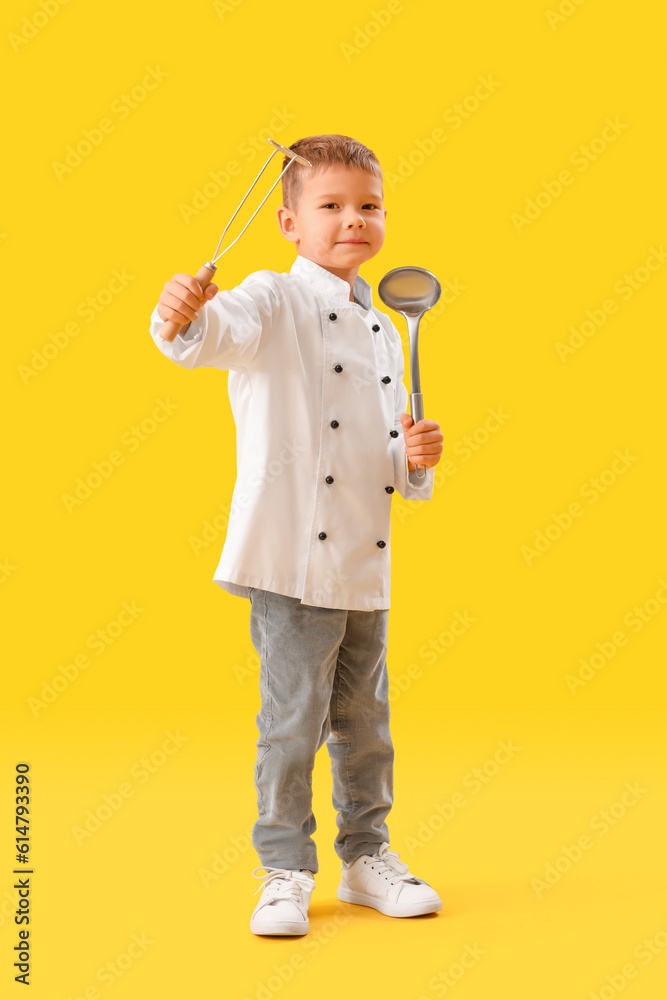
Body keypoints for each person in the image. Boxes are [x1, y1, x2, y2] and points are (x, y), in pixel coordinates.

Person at [149, 133, 444, 936]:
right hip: (289, 561)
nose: (354, 219)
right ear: (287, 223)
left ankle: (364, 859)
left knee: (364, 723)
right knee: (291, 722)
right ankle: (283, 868)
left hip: (363, 564)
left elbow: (372, 456)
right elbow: (205, 337)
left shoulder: (386, 329)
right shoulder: (269, 300)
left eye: (369, 205)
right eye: (332, 206)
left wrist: (412, 457)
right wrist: (177, 313)